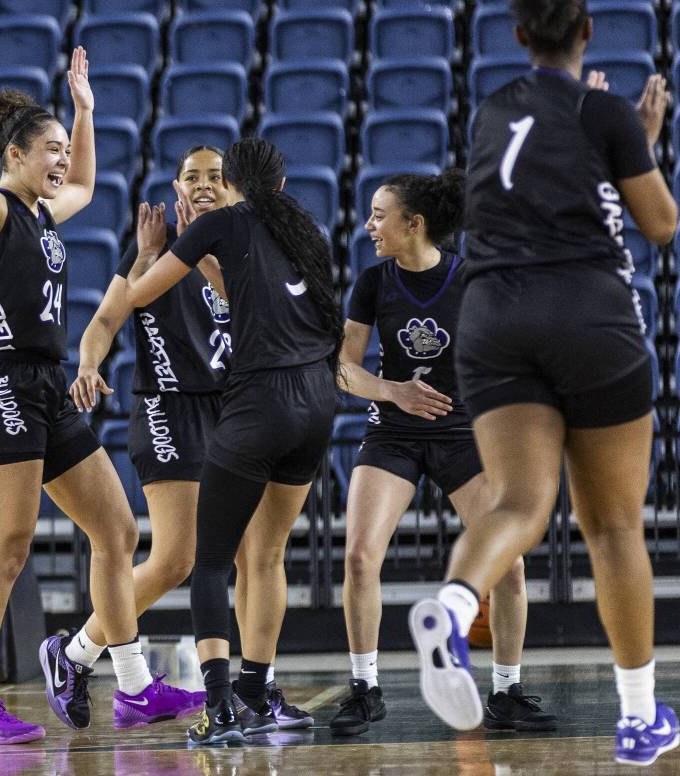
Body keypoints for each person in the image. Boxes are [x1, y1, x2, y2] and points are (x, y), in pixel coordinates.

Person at [406, 0, 678, 767]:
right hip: (586, 311)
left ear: (520, 34)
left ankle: (454, 608)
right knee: (615, 527)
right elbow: (658, 223)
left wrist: (614, 150)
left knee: (520, 502)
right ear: (585, 31)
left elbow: (537, 194)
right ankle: (636, 718)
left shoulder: (492, 111)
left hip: (493, 317)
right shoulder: (607, 110)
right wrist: (642, 146)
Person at [0, 50, 197, 745]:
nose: (64, 161)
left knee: (119, 531)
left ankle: (132, 687)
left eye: (64, 150)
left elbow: (92, 183)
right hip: (2, 382)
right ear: (15, 154)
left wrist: (87, 112)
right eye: (52, 150)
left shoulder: (44, 212)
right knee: (7, 548)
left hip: (46, 383)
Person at [65, 145, 313, 733]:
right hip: (167, 407)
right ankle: (78, 653)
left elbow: (256, 312)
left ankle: (259, 687)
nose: (203, 184)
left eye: (215, 176)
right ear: (176, 185)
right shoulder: (152, 247)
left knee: (257, 555)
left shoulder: (251, 245)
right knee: (177, 558)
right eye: (191, 176)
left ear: (236, 187)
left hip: (238, 407)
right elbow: (104, 321)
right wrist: (88, 365)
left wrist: (201, 245)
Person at [123, 137, 343, 745]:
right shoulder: (306, 230)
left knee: (211, 561)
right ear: (278, 184)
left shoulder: (219, 224)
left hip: (259, 403)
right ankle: (255, 691)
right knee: (267, 555)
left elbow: (137, 296)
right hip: (317, 402)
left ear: (234, 184)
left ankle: (220, 708)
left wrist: (154, 253)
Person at [331, 172, 555, 736]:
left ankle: (506, 693)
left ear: (415, 224)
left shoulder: (471, 278)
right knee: (359, 557)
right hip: (393, 434)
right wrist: (392, 391)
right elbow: (344, 368)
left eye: (380, 215)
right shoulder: (372, 282)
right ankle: (365, 688)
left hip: (462, 436)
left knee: (511, 566)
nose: (369, 226)